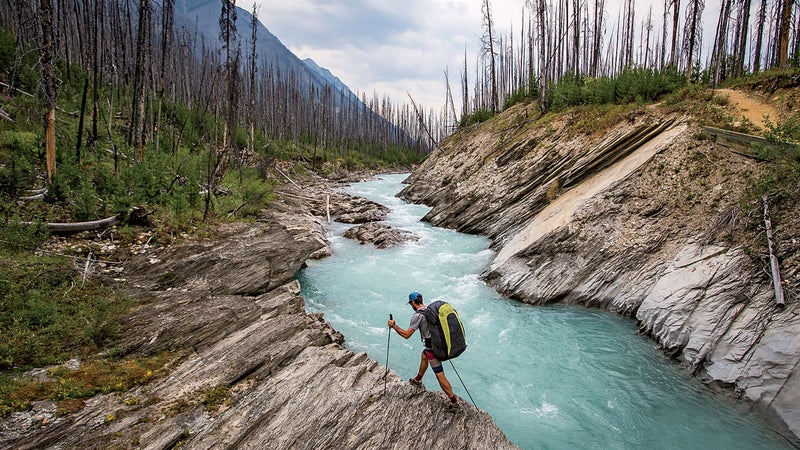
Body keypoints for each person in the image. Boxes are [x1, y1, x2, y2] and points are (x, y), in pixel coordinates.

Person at [387, 291, 460, 412]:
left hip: (433, 349)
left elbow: (406, 335)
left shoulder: (418, 316)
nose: (411, 306)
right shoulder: (430, 310)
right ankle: (418, 380)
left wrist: (394, 326)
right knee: (424, 355)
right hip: (439, 345)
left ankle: (454, 403)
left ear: (413, 302)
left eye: (411, 303)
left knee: (440, 375)